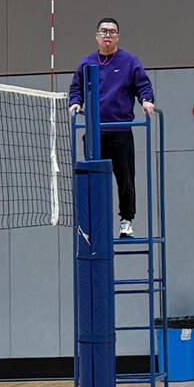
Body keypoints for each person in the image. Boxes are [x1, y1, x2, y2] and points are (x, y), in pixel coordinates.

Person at [67, 16, 155, 237]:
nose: (108, 35)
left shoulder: (130, 62)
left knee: (125, 179)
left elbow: (143, 85)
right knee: (93, 178)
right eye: (104, 31)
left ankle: (126, 220)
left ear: (118, 37)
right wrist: (75, 102)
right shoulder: (86, 63)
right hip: (95, 131)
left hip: (121, 130)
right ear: (97, 36)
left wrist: (146, 100)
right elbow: (76, 88)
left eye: (112, 32)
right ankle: (93, 223)